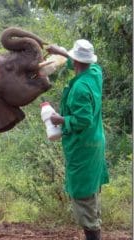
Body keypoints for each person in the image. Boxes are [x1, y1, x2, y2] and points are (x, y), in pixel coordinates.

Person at [46, 40, 109, 240]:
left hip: (83, 147)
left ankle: (92, 233)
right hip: (94, 144)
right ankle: (93, 226)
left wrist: (60, 119)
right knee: (91, 193)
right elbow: (81, 62)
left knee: (84, 196)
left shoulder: (80, 89)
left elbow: (83, 119)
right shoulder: (95, 74)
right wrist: (61, 52)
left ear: (76, 62)